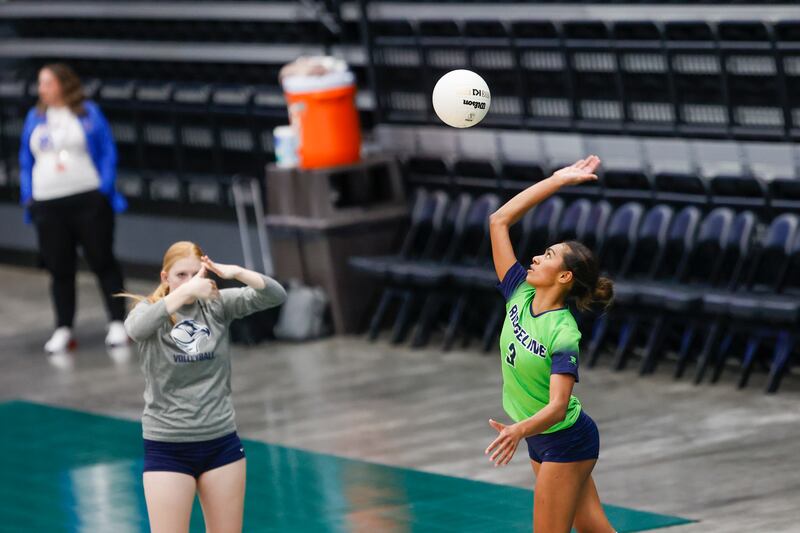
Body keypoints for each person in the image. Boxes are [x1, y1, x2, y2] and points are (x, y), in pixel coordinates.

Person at [485, 155, 617, 533]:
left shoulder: (563, 333)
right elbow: (499, 220)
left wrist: (518, 431)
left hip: (564, 439)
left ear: (563, 276)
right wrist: (556, 180)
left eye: (547, 255)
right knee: (594, 527)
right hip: (541, 438)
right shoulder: (518, 294)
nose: (535, 257)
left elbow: (558, 408)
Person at [122, 241, 286, 533]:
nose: (189, 281)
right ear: (165, 278)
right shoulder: (151, 312)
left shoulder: (216, 304)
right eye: (180, 275)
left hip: (220, 442)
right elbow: (135, 330)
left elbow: (275, 294)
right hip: (168, 447)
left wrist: (236, 272)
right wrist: (184, 294)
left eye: (195, 274)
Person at [19, 63, 129, 357]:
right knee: (59, 267)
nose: (41, 89)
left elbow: (107, 150)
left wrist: (103, 189)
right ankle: (63, 327)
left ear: (63, 84)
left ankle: (118, 321)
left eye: (47, 82)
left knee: (101, 259)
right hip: (48, 203)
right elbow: (25, 159)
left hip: (87, 199)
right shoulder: (35, 117)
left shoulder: (88, 112)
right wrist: (29, 196)